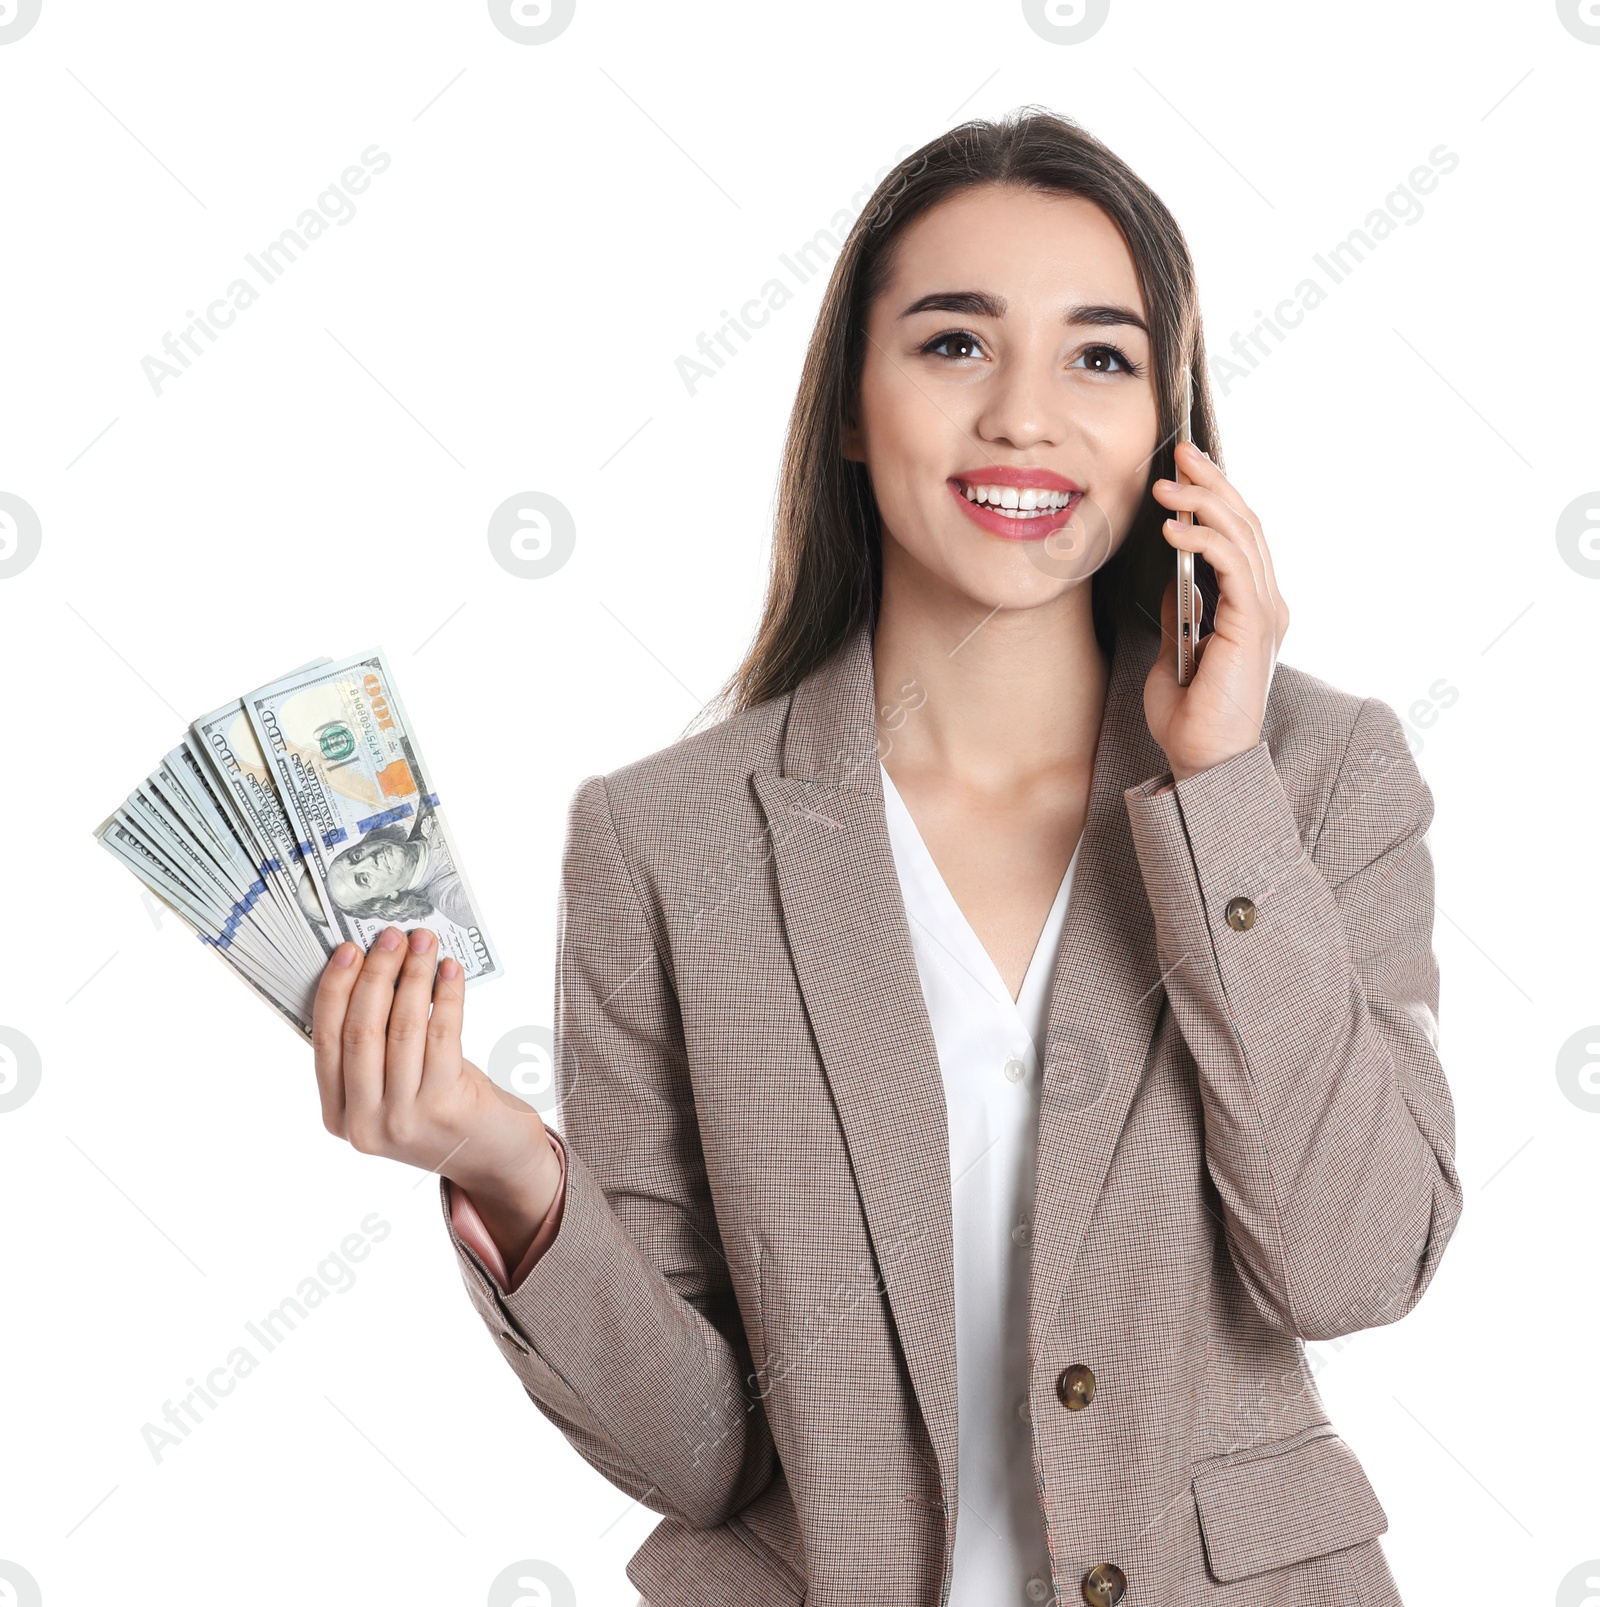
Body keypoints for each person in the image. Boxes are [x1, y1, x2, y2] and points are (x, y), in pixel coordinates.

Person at [307, 108, 1461, 1607]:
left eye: (1100, 357)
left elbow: (1355, 1266)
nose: (1027, 419)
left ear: (1171, 428)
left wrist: (1219, 783)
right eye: (955, 345)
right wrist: (504, 1166)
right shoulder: (664, 841)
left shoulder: (1320, 778)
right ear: (852, 404)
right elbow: (699, 1453)